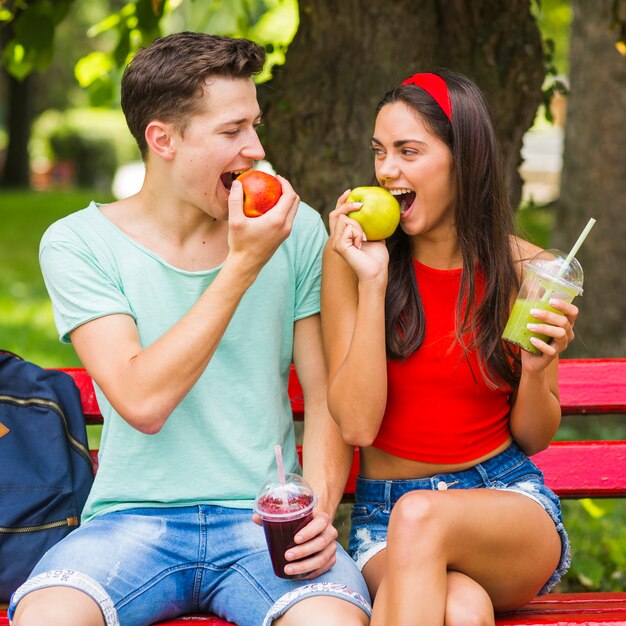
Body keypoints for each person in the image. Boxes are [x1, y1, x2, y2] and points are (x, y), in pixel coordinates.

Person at [9, 32, 371, 626]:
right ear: (163, 139)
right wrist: (242, 265)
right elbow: (142, 400)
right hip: (131, 524)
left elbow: (327, 390)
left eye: (254, 126)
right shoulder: (79, 244)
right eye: (232, 132)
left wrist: (317, 513)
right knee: (46, 617)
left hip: (262, 518)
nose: (255, 149)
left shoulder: (296, 229)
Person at [321, 70, 577, 625]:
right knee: (462, 609)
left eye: (408, 151)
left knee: (422, 516)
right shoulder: (353, 259)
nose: (387, 171)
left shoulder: (526, 270)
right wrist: (372, 285)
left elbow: (534, 437)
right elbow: (359, 426)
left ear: (465, 159)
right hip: (387, 520)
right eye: (380, 152)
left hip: (503, 502)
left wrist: (535, 372)